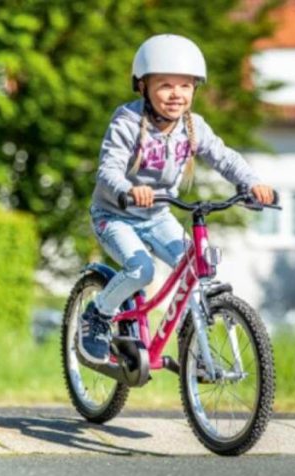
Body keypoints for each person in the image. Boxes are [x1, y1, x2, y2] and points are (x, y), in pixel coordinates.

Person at [79, 34, 275, 365]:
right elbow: (107, 169)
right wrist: (128, 189)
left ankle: (195, 343)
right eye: (165, 85)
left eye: (185, 86)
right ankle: (97, 315)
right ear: (142, 87)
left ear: (195, 89)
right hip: (115, 215)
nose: (176, 95)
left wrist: (252, 183)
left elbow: (224, 157)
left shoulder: (192, 127)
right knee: (141, 271)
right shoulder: (126, 121)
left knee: (201, 269)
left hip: (156, 216)